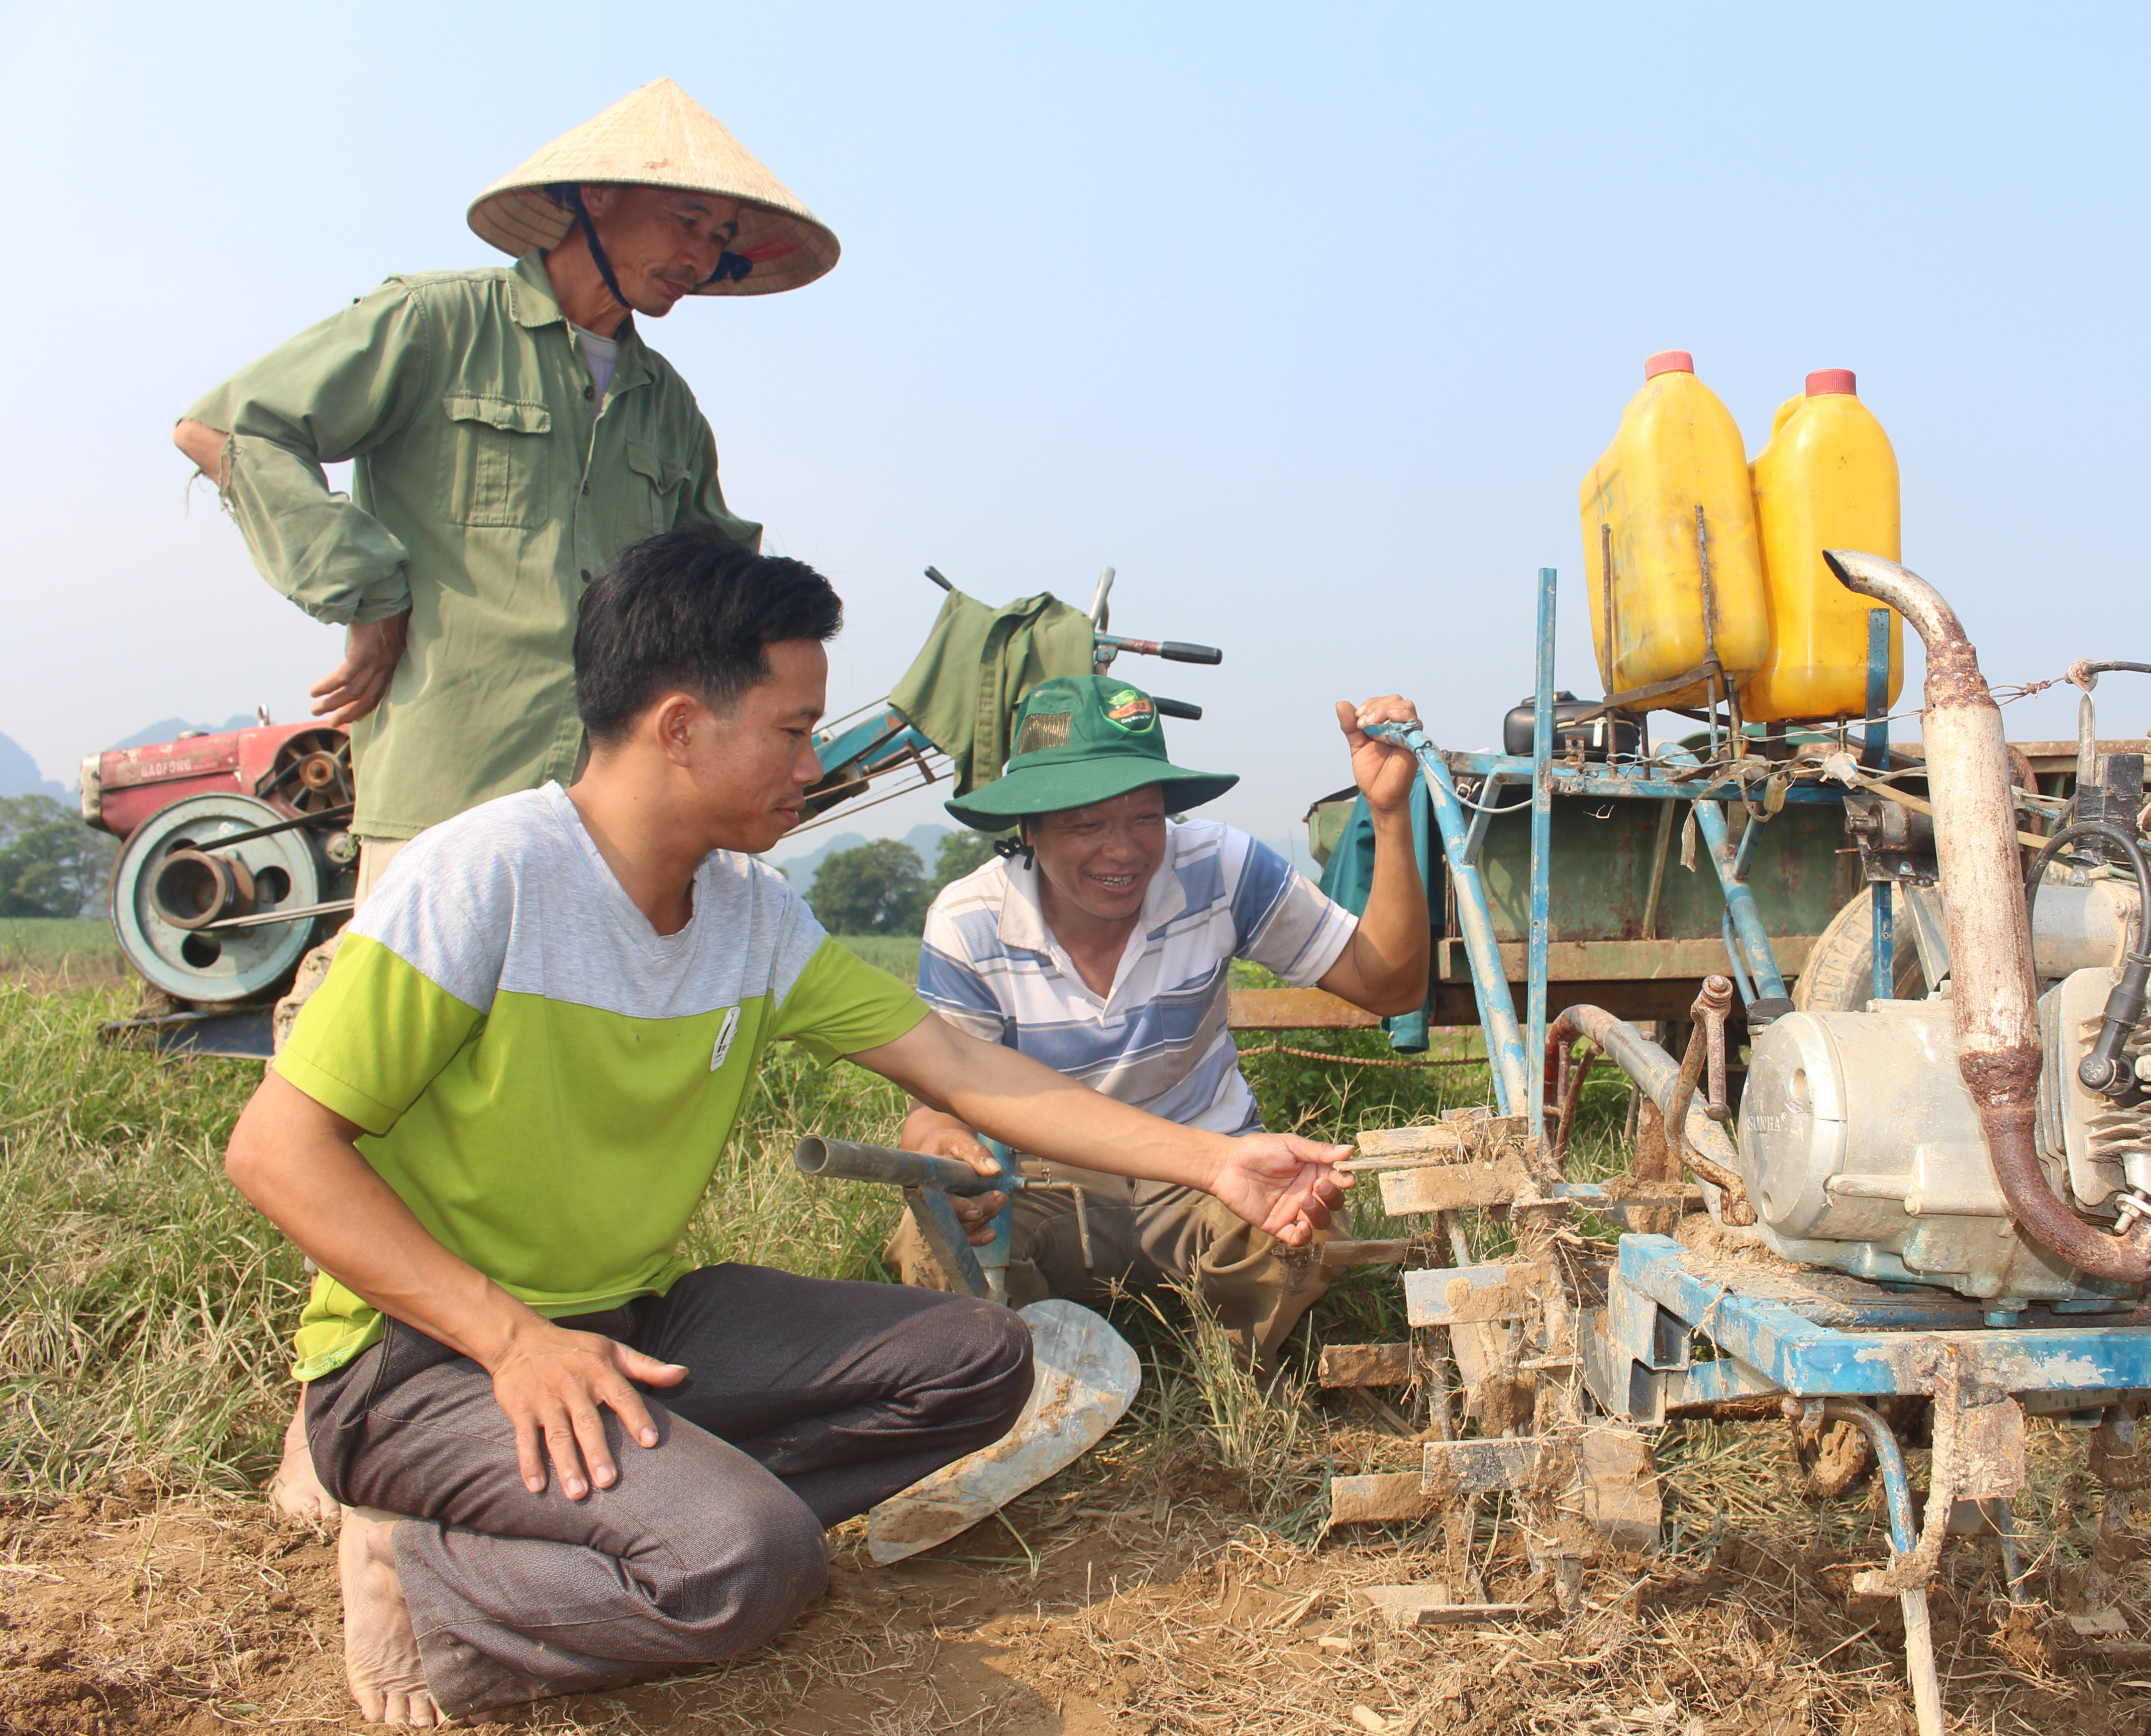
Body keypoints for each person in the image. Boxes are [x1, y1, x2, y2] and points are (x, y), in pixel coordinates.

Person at [222, 533, 1353, 1727]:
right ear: (678, 727)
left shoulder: (749, 912)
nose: (812, 764)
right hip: (424, 1358)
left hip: (629, 1322)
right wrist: (513, 1343)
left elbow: (967, 1067)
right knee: (753, 1566)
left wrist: (1218, 1159)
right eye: (793, 730)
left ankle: (645, 1495)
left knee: (980, 1359)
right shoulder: (487, 876)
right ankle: (437, 1582)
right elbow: (277, 1152)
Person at [174, 77, 834, 1519]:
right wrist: (367, 588)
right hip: (457, 779)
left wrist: (779, 731)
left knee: (542, 1112)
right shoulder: (435, 324)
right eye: (686, 217)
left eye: (725, 232)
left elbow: (724, 585)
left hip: (610, 818)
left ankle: (540, 1387)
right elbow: (231, 425)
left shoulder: (665, 405)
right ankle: (340, 1423)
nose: (703, 250)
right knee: (371, 1102)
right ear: (588, 208)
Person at [891, 674, 1428, 1363]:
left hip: (1209, 1171)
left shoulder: (1218, 866)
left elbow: (1390, 986)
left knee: (1302, 1227)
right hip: (1045, 1186)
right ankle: (1016, 1369)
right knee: (932, 1235)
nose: (1124, 851)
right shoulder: (969, 923)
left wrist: (1388, 815)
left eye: (1146, 818)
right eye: (1086, 824)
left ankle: (1233, 1358)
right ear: (1026, 828)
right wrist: (944, 1156)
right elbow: (936, 1108)